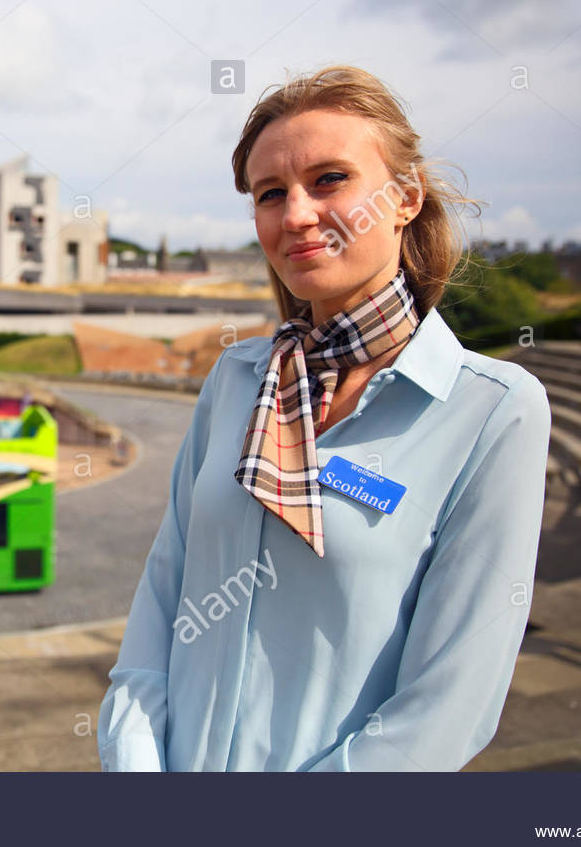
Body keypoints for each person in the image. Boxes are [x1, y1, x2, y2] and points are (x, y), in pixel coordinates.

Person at [97, 65, 552, 772]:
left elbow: (447, 707)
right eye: (270, 194)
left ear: (404, 198)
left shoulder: (491, 411)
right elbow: (165, 589)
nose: (297, 215)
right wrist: (133, 760)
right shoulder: (237, 380)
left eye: (330, 179)